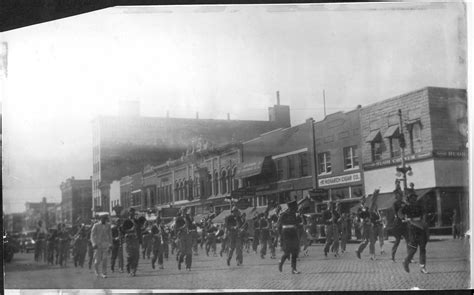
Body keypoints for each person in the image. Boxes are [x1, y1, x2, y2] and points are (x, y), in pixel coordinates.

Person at [402, 193, 429, 274]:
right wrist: (404, 218)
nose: (414, 200)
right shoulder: (406, 207)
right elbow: (400, 214)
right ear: (409, 199)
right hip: (413, 229)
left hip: (421, 228)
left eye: (415, 198)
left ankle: (422, 267)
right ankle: (406, 261)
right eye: (412, 198)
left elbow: (424, 214)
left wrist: (424, 223)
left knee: (423, 248)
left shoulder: (419, 206)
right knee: (413, 248)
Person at [278, 199, 302, 274]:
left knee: (295, 252)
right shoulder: (284, 215)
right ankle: (281, 262)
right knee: (287, 252)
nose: (296, 209)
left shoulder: (295, 214)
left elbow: (297, 224)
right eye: (295, 207)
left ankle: (293, 269)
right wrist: (280, 237)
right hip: (286, 234)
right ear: (291, 207)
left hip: (293, 234)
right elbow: (279, 226)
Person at [91, 214, 113, 278]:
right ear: (100, 219)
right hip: (98, 245)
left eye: (105, 218)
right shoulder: (96, 225)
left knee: (105, 259)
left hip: (105, 244)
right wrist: (93, 243)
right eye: (102, 218)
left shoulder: (108, 225)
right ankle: (96, 271)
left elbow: (110, 235)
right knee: (97, 261)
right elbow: (92, 235)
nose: (104, 220)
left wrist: (111, 244)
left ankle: (104, 273)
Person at [122, 208, 143, 276]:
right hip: (129, 240)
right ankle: (128, 266)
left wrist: (140, 240)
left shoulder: (137, 221)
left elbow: (139, 231)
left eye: (133, 213)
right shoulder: (126, 221)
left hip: (136, 240)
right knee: (130, 256)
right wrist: (130, 230)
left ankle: (133, 270)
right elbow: (123, 231)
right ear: (129, 213)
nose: (132, 214)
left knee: (136, 256)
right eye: (131, 213)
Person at [391, 191, 408, 262]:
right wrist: (401, 218)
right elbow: (396, 214)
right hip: (397, 225)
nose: (400, 196)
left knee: (409, 240)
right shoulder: (395, 204)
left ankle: (410, 257)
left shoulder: (404, 203)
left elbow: (407, 212)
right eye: (399, 195)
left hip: (404, 225)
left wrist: (406, 218)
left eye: (401, 195)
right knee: (397, 241)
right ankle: (393, 256)